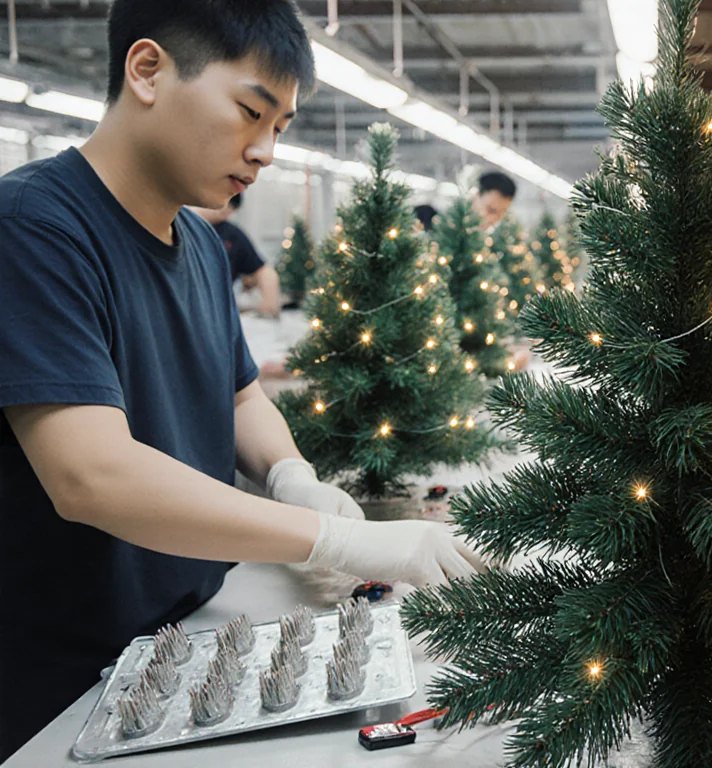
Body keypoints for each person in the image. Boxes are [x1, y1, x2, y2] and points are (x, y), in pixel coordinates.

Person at [0, 1, 483, 759]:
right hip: (64, 686)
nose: (264, 152)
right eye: (249, 112)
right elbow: (90, 475)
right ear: (148, 70)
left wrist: (291, 475)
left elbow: (239, 393)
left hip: (188, 634)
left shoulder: (197, 238)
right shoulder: (34, 227)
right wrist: (333, 540)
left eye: (281, 128)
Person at [192, 193, 281, 317]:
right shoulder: (180, 225)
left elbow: (264, 271)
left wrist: (269, 303)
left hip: (216, 310)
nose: (223, 214)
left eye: (228, 211)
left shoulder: (232, 235)